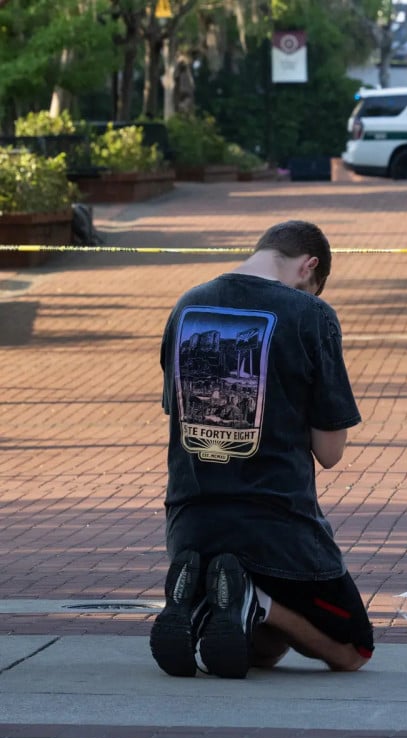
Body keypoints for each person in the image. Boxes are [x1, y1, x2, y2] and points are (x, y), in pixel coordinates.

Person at [150, 220, 373, 679]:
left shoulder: (187, 305)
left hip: (191, 525)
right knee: (354, 651)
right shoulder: (311, 314)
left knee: (262, 652)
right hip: (277, 527)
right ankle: (258, 601)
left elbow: (179, 412)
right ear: (309, 266)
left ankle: (203, 607)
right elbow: (330, 452)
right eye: (310, 287)